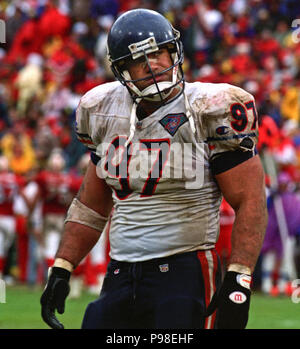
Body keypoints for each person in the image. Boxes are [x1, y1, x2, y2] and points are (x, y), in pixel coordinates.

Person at [40, 8, 268, 330]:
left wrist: (239, 278)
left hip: (184, 271)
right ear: (121, 69)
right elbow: (92, 204)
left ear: (174, 51)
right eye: (140, 59)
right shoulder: (101, 110)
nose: (155, 64)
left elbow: (251, 199)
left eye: (160, 52)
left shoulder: (207, 107)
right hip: (120, 272)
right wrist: (62, 267)